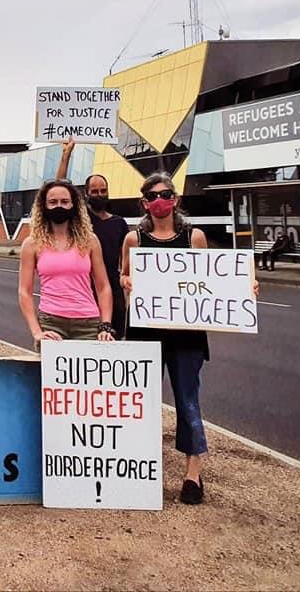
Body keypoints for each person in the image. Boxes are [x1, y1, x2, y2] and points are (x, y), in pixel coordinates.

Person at [120, 173, 259, 505]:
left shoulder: (193, 238)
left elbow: (210, 281)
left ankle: (193, 475)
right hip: (145, 334)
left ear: (175, 199)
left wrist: (244, 289)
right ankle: (139, 468)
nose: (159, 200)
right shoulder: (134, 239)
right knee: (142, 402)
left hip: (187, 337)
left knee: (188, 402)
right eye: (152, 196)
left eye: (165, 194)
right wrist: (126, 282)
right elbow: (123, 272)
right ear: (144, 203)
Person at [18, 179, 115, 347]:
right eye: (53, 202)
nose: (59, 206)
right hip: (51, 322)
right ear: (44, 206)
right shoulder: (32, 244)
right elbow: (24, 291)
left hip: (88, 323)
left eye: (64, 202)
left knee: (87, 374)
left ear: (73, 205)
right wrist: (36, 331)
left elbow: (103, 286)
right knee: (52, 374)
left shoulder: (90, 241)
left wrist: (105, 325)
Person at [56, 137, 130, 338]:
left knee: (113, 342)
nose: (99, 194)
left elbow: (127, 264)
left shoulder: (119, 223)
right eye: (94, 191)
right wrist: (66, 155)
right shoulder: (81, 220)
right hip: (83, 290)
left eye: (103, 191)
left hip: (112, 292)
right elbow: (59, 187)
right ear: (86, 194)